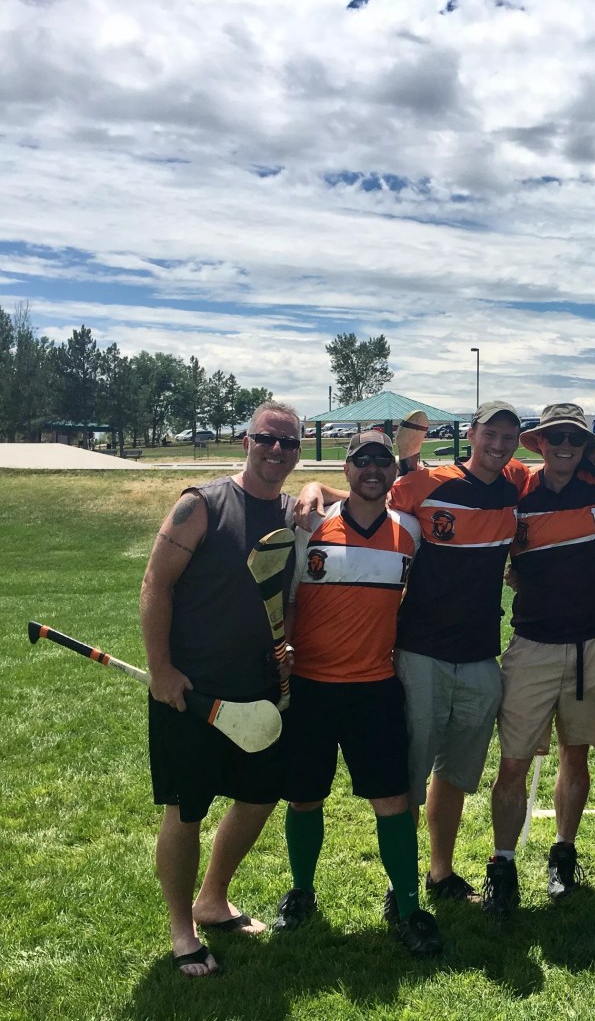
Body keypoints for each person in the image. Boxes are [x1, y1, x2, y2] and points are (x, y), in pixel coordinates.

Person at [296, 401, 528, 909]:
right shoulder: (427, 485)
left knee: (457, 774)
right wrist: (314, 489)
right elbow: (366, 493)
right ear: (472, 434)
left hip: (481, 656)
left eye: (509, 436)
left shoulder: (518, 487)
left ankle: (439, 872)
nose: (498, 444)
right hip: (420, 652)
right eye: (490, 433)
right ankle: (398, 887)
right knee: (408, 779)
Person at [140, 401, 302, 977]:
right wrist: (160, 670)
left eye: (288, 444)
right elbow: (156, 584)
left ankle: (213, 899)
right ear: (245, 441)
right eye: (266, 439)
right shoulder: (201, 504)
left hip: (261, 690)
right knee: (185, 811)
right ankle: (183, 930)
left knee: (258, 798)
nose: (275, 451)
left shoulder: (290, 510)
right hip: (191, 689)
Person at [272, 431, 441, 955]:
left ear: (393, 472)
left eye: (381, 462)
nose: (372, 469)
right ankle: (301, 892)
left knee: (392, 802)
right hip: (311, 688)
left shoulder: (408, 532)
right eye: (362, 461)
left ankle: (409, 908)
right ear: (346, 470)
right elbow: (287, 596)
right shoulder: (312, 526)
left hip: (375, 689)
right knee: (304, 798)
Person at [483, 404, 595, 916]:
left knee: (576, 754)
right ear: (540, 442)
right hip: (533, 644)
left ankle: (562, 854)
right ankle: (502, 864)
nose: (564, 444)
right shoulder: (518, 491)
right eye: (555, 436)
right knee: (515, 761)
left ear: (585, 444)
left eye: (574, 437)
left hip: (592, 642)